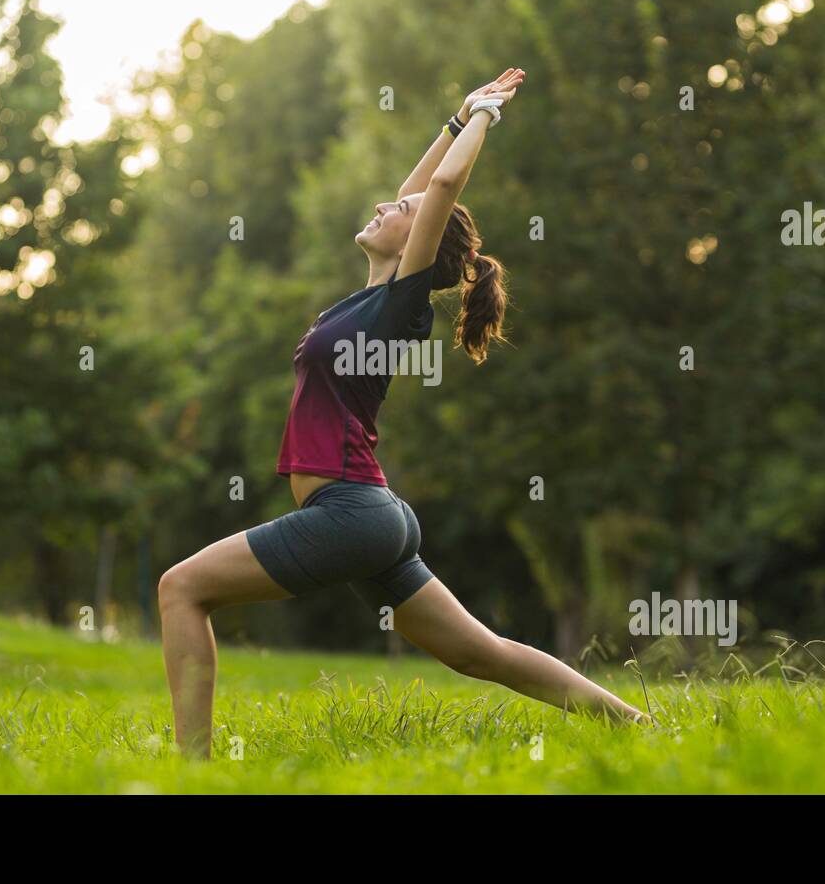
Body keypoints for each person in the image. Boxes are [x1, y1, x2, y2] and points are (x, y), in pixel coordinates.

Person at [158, 68, 648, 758]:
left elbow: (440, 192)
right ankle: (639, 728)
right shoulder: (373, 296)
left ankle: (192, 769)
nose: (388, 205)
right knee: (483, 653)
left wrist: (483, 116)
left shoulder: (402, 304)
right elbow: (422, 193)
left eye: (401, 212)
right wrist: (453, 119)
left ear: (422, 243)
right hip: (369, 515)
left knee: (180, 588)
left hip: (349, 514)